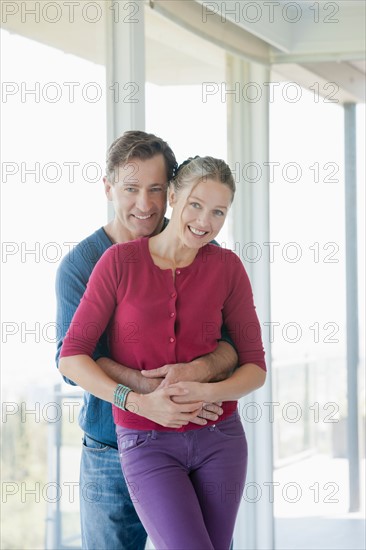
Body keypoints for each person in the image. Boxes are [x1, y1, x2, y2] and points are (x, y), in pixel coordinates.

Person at [59, 155, 266, 549]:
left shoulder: (227, 266)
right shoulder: (116, 262)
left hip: (220, 438)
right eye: (195, 205)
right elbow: (72, 357)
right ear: (174, 196)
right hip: (145, 441)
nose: (205, 221)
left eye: (218, 212)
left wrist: (204, 389)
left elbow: (254, 365)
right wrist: (137, 401)